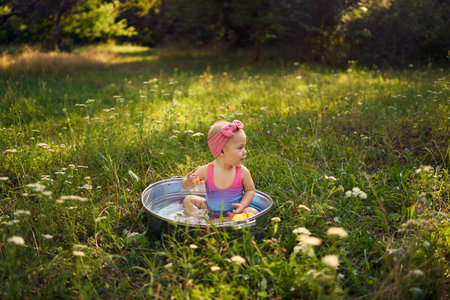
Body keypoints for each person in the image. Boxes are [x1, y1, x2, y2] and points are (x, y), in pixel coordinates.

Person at [182, 120, 259, 221]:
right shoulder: (206, 171)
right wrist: (188, 182)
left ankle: (224, 221)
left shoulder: (242, 172)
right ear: (222, 151)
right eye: (240, 148)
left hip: (234, 212)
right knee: (189, 200)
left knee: (253, 212)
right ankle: (196, 219)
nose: (245, 152)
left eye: (244, 147)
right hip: (210, 209)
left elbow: (250, 190)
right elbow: (189, 187)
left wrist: (242, 205)